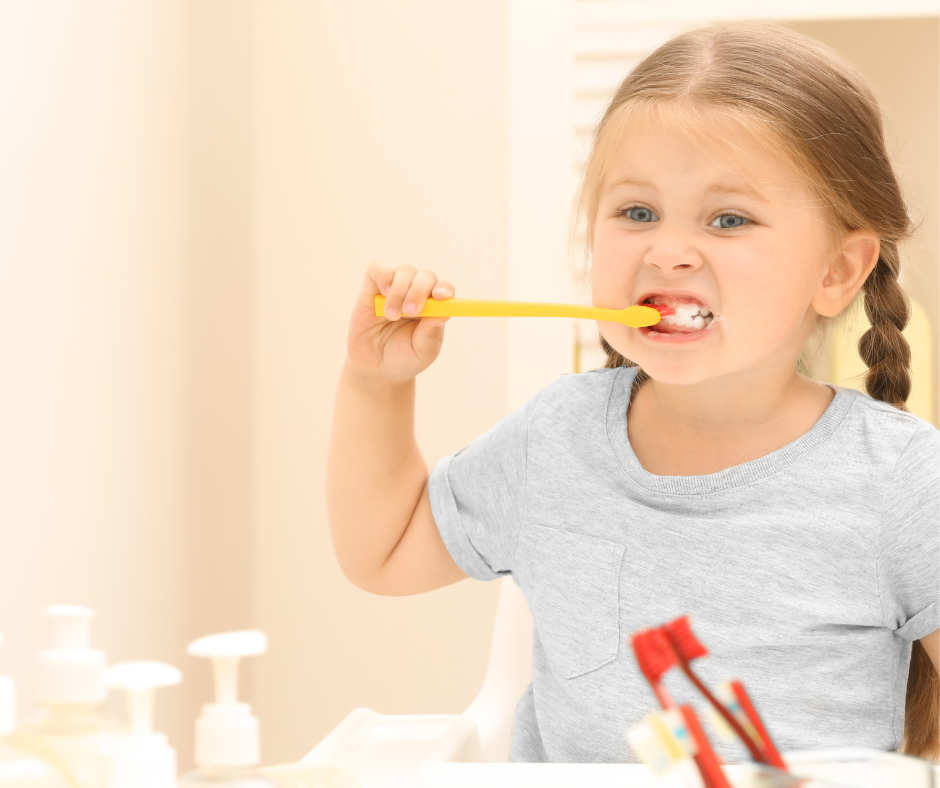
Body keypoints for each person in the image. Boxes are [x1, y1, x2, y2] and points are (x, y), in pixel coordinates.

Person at [326, 20, 939, 764]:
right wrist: (376, 385)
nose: (668, 250)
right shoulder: (557, 437)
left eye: (728, 219)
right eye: (637, 212)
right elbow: (383, 554)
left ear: (838, 271)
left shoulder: (903, 481)